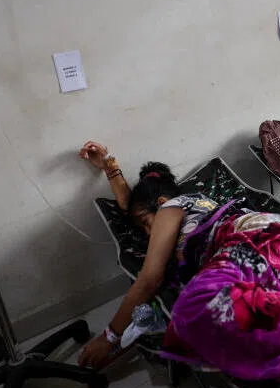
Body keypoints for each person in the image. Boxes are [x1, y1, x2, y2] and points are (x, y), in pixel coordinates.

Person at [76, 141, 218, 370]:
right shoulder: (195, 205)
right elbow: (130, 206)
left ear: (161, 203)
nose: (149, 234)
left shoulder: (171, 207)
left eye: (145, 223)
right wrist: (108, 165)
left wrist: (108, 338)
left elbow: (150, 280)